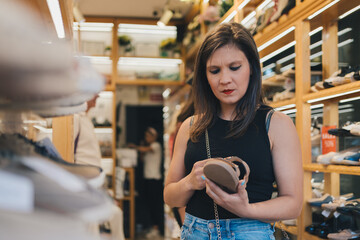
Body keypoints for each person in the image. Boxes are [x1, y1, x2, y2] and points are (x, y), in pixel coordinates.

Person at [164, 22, 303, 240]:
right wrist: (190, 181)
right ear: (204, 76)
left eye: (235, 67)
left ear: (252, 68)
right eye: (214, 71)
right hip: (195, 233)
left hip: (251, 232)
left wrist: (245, 209)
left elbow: (293, 204)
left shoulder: (276, 124)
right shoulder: (190, 127)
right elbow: (170, 197)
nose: (224, 79)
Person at [128, 127, 163, 239]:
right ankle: (152, 226)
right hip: (148, 179)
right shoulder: (148, 147)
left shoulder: (156, 146)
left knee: (155, 205)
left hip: (154, 180)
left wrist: (135, 147)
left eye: (148, 136)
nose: (147, 138)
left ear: (153, 136)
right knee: (149, 204)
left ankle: (156, 228)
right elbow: (143, 158)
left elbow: (146, 150)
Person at [74, 94, 102, 166]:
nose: (97, 96)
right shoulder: (76, 118)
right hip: (81, 173)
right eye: (93, 93)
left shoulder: (85, 117)